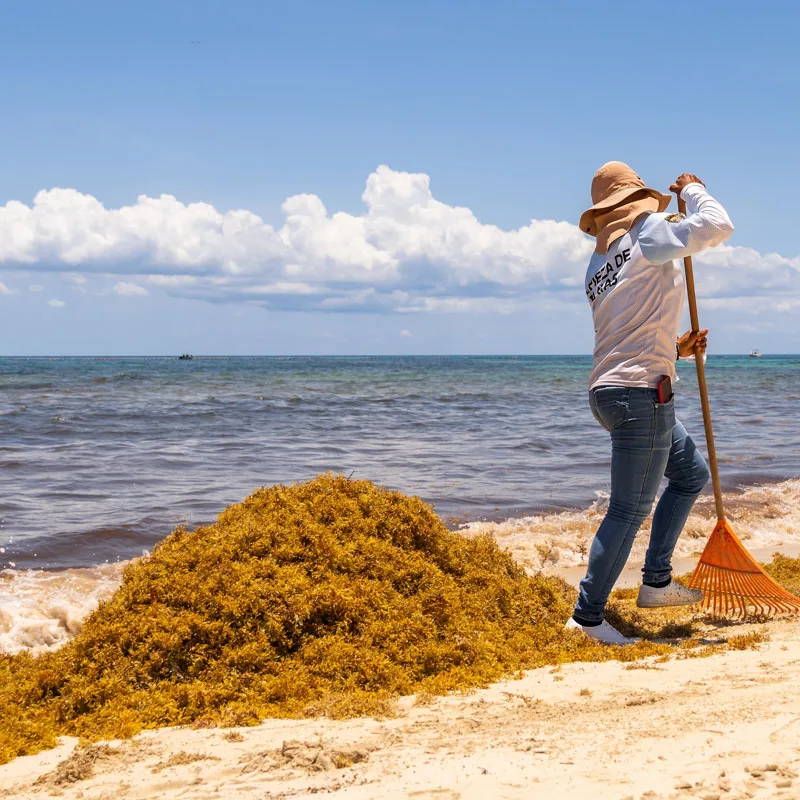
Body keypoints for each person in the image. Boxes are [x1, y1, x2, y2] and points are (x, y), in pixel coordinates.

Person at [567, 162, 734, 645]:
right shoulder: (648, 234)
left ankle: (656, 581)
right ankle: (587, 618)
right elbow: (718, 225)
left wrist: (674, 349)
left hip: (612, 391)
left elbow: (628, 326)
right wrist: (695, 189)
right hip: (640, 394)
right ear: (636, 202)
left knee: (689, 475)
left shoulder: (600, 262)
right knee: (628, 508)